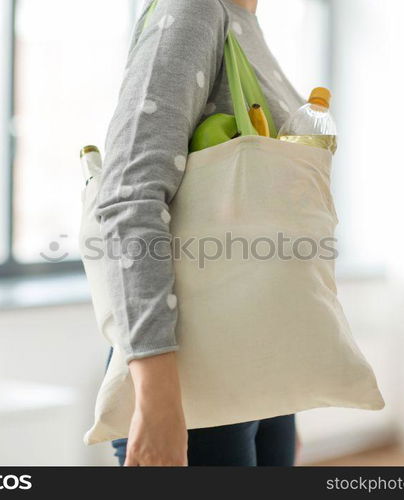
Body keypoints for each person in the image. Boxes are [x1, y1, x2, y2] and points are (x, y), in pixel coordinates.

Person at [95, 0, 304, 466]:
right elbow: (131, 198)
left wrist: (284, 400)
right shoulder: (194, 10)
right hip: (190, 375)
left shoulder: (242, 21)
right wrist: (158, 402)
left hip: (255, 360)